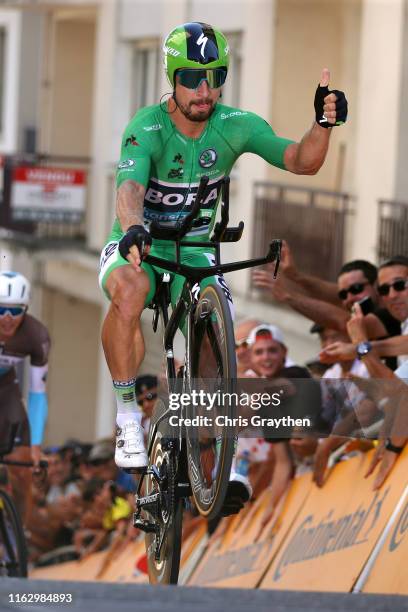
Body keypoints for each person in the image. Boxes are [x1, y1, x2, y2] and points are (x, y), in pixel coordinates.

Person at [98, 21, 348, 472]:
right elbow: (129, 189)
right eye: (192, 78)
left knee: (216, 336)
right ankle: (127, 413)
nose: (204, 89)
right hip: (141, 244)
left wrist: (323, 123)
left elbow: (301, 161)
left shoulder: (235, 125)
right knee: (131, 290)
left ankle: (213, 461)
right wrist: (134, 226)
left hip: (194, 251)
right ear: (172, 78)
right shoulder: (147, 127)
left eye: (214, 76)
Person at [0, 271, 50, 522]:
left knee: (23, 470)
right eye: (1, 311)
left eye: (16, 311)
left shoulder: (36, 335)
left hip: (6, 387)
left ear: (26, 310)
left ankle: (17, 535)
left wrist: (36, 447)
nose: (8, 319)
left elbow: (37, 394)